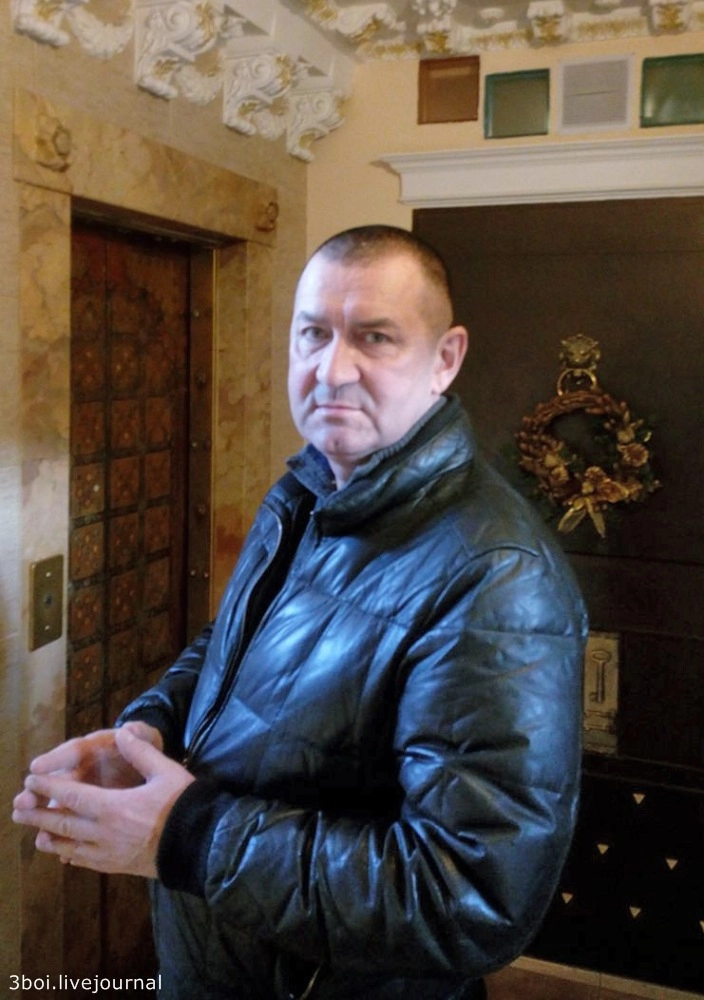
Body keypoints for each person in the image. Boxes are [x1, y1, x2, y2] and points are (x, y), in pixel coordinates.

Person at [14, 225, 587, 1000]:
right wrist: (151, 730)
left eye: (375, 338)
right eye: (312, 334)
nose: (332, 369)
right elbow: (235, 642)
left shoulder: (497, 577)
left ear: (445, 359)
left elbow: (469, 898)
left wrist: (184, 835)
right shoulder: (307, 490)